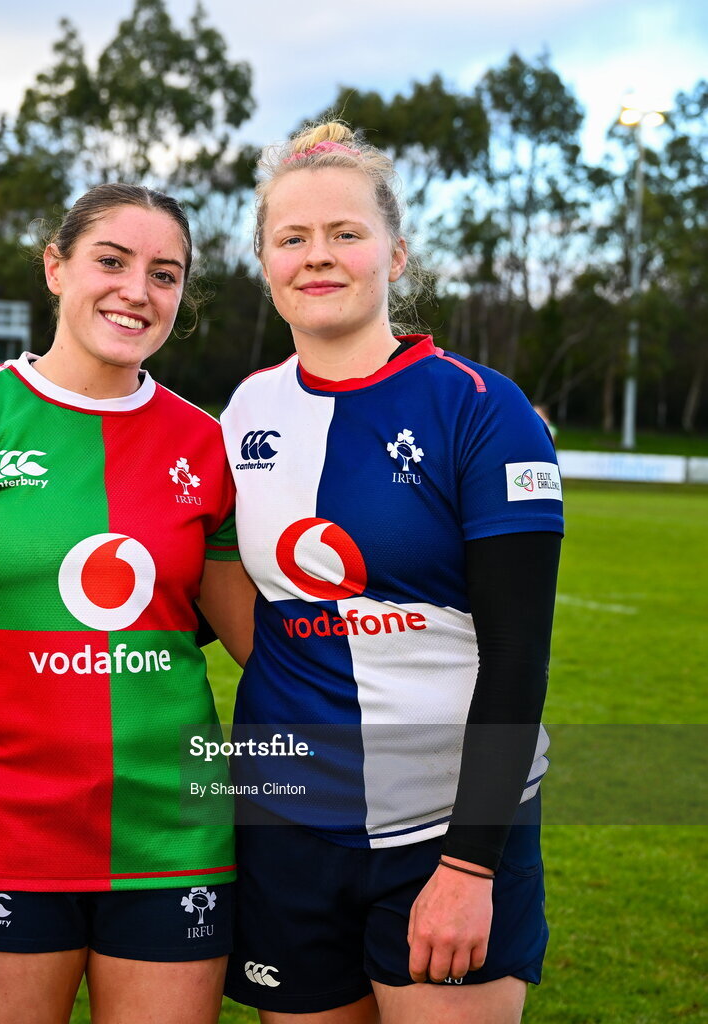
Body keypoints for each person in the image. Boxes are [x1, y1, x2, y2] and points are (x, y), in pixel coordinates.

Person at [0, 182, 255, 1024]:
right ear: (55, 267)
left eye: (165, 273)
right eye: (110, 261)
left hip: (176, 841)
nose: (135, 291)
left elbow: (264, 642)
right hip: (6, 840)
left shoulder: (206, 443)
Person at [219, 123, 564, 1023]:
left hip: (442, 833)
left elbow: (520, 656)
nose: (317, 257)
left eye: (345, 233)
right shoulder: (244, 410)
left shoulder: (484, 409)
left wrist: (468, 864)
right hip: (287, 822)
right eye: (290, 238)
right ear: (263, 259)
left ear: (395, 254)